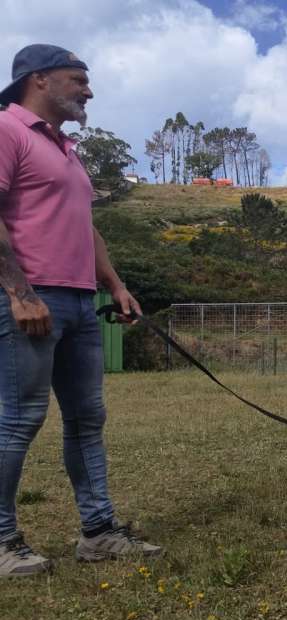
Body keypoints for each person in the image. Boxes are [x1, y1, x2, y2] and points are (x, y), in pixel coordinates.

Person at [0, 44, 163, 578]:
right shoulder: (7, 130)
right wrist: (19, 292)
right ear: (39, 79)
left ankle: (98, 533)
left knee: (87, 420)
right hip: (31, 298)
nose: (88, 91)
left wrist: (115, 284)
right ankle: (3, 541)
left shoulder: (68, 150)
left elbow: (84, 226)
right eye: (78, 80)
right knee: (19, 419)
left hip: (79, 300)